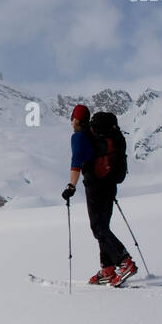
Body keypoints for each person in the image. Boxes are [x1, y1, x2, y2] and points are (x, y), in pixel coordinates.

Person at [62, 104, 136, 285]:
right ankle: (108, 269)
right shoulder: (97, 135)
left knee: (98, 228)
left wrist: (71, 186)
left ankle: (124, 261)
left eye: (73, 118)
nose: (71, 121)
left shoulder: (80, 136)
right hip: (109, 182)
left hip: (96, 185)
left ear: (76, 119)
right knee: (103, 226)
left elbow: (76, 161)